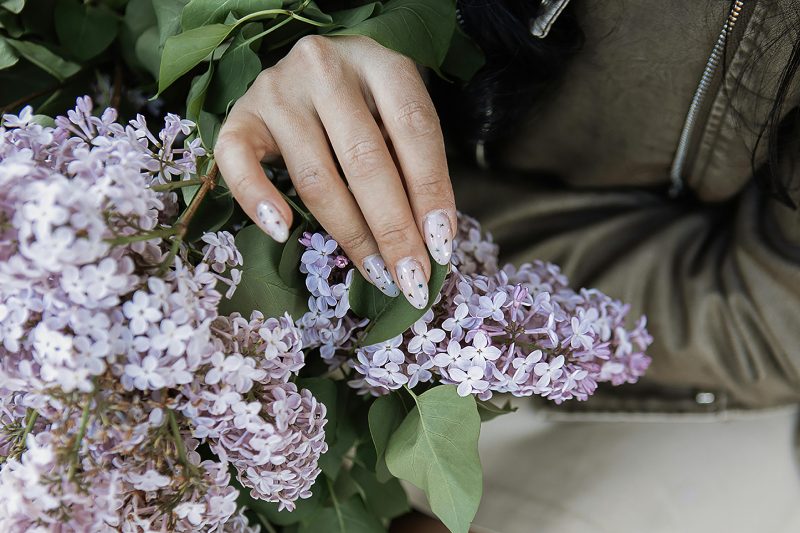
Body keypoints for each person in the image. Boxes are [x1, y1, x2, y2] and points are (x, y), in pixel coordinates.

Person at [215, 1, 800, 531]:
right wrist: (359, 29)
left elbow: (775, 313)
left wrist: (468, 289)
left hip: (644, 324)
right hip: (295, 292)